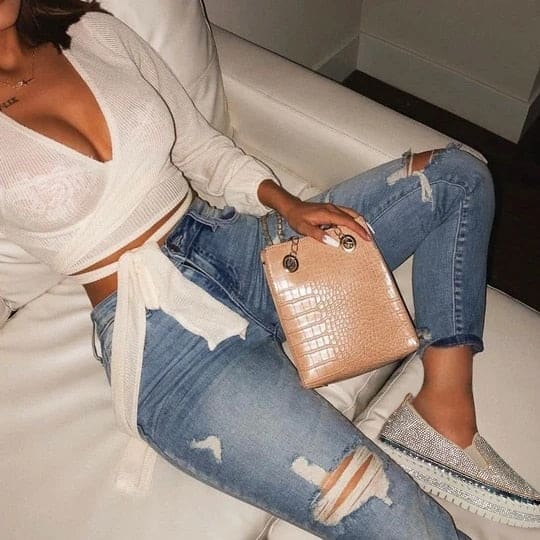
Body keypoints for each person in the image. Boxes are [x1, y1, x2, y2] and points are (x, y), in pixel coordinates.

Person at [1, 0, 537, 537]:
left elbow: (198, 146)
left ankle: (443, 411)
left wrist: (288, 205)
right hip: (161, 340)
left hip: (237, 245)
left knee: (454, 177)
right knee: (393, 514)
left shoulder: (94, 33)